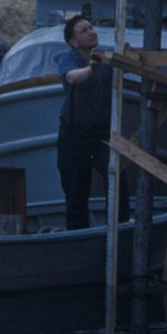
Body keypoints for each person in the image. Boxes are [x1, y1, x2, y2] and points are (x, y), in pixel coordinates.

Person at [55, 13, 115, 231]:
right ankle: (77, 237)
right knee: (76, 189)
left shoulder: (108, 58)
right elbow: (71, 78)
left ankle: (119, 230)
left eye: (91, 27)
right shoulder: (68, 59)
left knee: (118, 183)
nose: (91, 32)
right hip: (74, 132)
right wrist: (92, 67)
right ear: (73, 42)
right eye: (84, 30)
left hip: (102, 133)